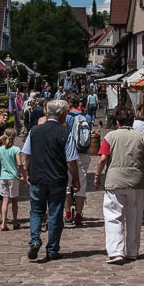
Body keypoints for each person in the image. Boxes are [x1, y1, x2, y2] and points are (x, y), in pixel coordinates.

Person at [92, 107, 144, 265]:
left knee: (113, 216)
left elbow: (102, 159)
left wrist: (97, 176)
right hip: (136, 181)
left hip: (115, 181)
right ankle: (132, 251)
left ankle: (116, 251)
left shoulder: (110, 136)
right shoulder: (142, 137)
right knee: (134, 217)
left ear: (117, 122)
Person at [19, 98, 80, 262]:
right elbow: (71, 160)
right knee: (55, 214)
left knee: (36, 211)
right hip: (57, 179)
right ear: (62, 115)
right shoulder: (65, 133)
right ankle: (52, 249)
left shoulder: (34, 131)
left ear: (47, 113)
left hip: (38, 177)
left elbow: (27, 155)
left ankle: (35, 240)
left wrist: (29, 172)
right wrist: (76, 180)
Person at [64, 96, 92, 226]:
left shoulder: (68, 118)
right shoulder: (87, 118)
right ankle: (79, 215)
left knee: (67, 185)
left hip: (70, 154)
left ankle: (68, 213)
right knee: (81, 184)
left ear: (69, 104)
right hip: (84, 153)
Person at [0, 127, 22, 231]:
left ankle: (3, 223)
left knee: (5, 200)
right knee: (14, 201)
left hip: (3, 177)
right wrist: (22, 173)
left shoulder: (0, 149)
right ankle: (14, 222)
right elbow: (19, 163)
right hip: (13, 177)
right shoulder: (16, 149)